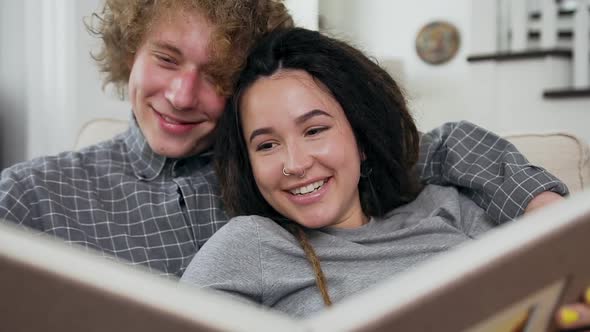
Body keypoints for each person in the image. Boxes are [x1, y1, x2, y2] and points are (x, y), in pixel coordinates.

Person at [0, 0, 564, 280]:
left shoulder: (283, 174)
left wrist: (546, 213)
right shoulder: (30, 196)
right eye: (165, 60)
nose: (180, 94)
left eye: (216, 75)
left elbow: (434, 145)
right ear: (130, 57)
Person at [179, 27, 587, 324]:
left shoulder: (448, 208)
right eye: (266, 144)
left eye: (315, 130)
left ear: (360, 137)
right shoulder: (250, 245)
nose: (295, 163)